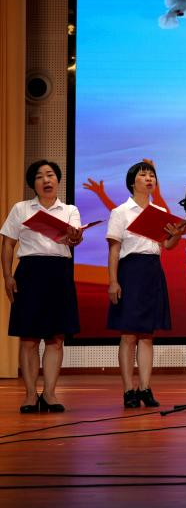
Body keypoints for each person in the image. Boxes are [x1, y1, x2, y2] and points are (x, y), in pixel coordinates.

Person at [1, 160, 82, 413]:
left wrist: (75, 237)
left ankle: (49, 393)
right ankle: (29, 395)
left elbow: (75, 240)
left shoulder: (70, 210)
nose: (46, 180)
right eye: (39, 176)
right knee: (29, 339)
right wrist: (7, 276)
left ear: (57, 180)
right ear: (33, 183)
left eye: (50, 175)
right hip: (30, 273)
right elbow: (8, 244)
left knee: (56, 338)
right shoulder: (21, 208)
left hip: (59, 273)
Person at [106, 161, 183, 408]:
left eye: (152, 175)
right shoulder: (120, 212)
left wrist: (176, 234)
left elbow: (167, 245)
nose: (149, 178)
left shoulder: (159, 211)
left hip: (152, 271)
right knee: (129, 335)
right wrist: (113, 281)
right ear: (132, 182)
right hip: (129, 272)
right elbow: (114, 249)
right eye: (143, 175)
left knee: (148, 336)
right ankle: (129, 390)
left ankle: (145, 388)